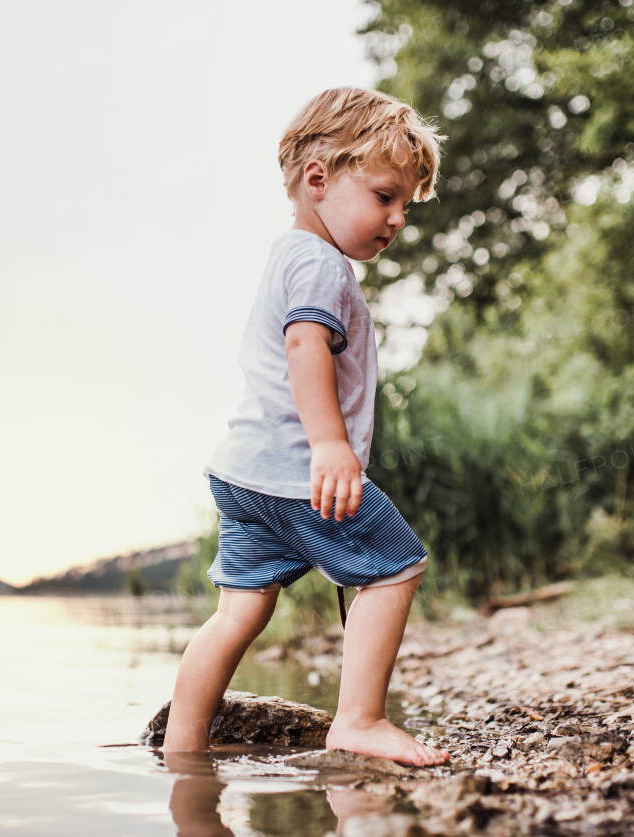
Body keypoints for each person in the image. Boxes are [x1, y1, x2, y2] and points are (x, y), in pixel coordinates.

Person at [162, 88, 448, 767]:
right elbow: (304, 347)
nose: (398, 217)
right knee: (396, 566)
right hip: (295, 466)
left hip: (242, 472)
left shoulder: (289, 255)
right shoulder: (321, 263)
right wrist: (330, 445)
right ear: (317, 179)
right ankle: (358, 719)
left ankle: (182, 746)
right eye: (385, 196)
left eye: (406, 204)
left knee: (239, 612)